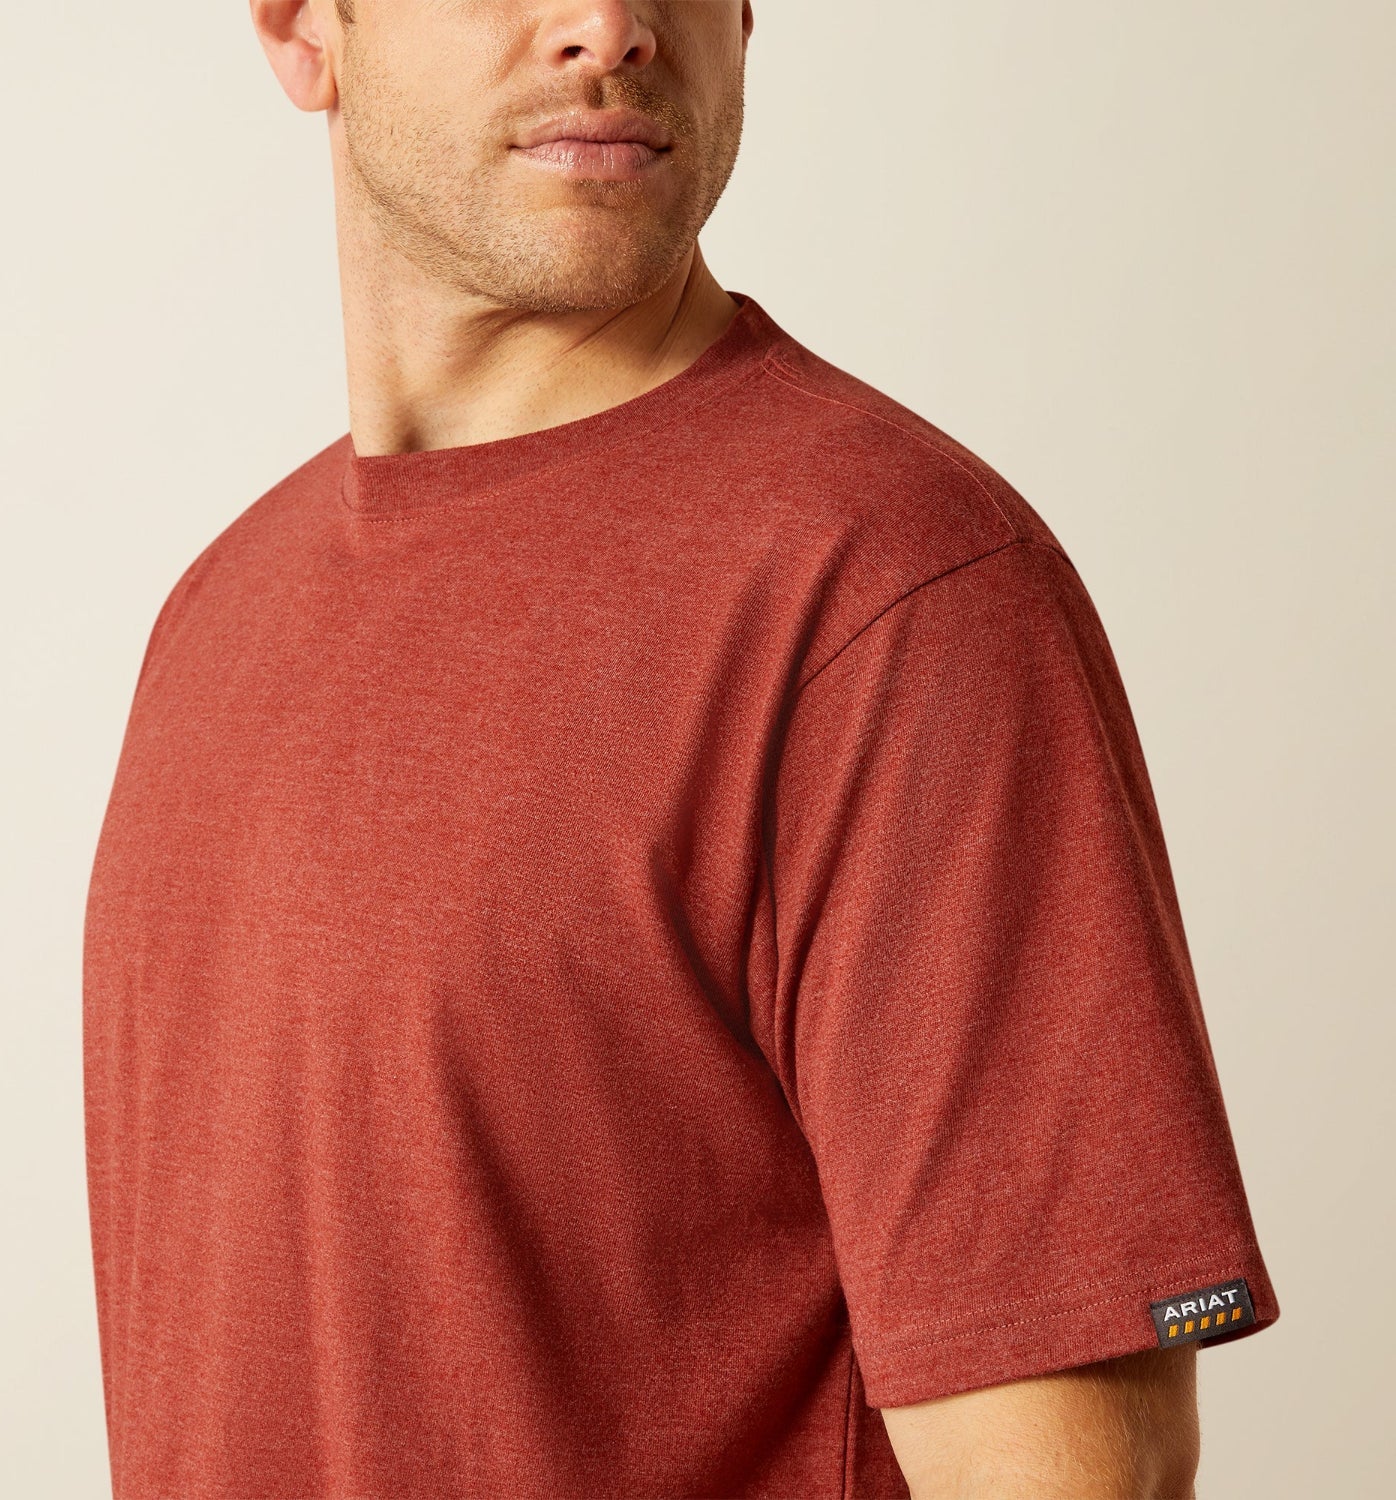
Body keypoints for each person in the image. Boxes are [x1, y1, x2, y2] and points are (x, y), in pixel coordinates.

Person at [81, 3, 1279, 1496]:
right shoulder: (219, 618)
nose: (611, 26)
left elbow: (1073, 1480)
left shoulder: (893, 598)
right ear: (303, 28)